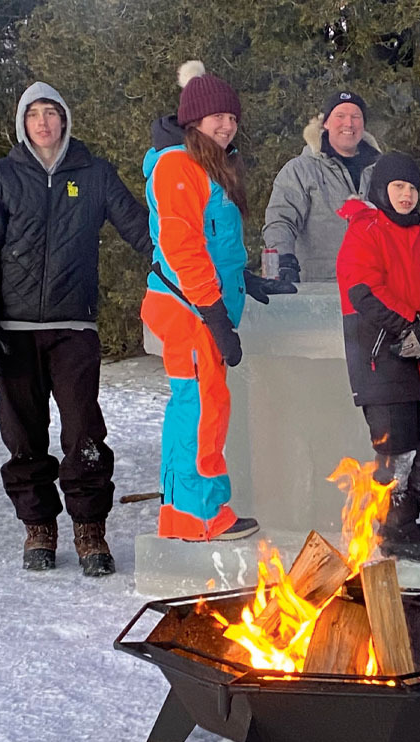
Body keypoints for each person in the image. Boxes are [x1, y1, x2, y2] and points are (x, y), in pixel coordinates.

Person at [0, 81, 153, 577]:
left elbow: (140, 230)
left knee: (83, 431)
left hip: (73, 326)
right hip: (13, 326)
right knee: (23, 433)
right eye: (34, 114)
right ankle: (39, 527)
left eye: (51, 112)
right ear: (23, 123)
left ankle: (90, 528)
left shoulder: (93, 174)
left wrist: (189, 266)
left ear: (65, 119)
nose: (44, 122)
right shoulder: (1, 176)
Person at [140, 62, 295, 542]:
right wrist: (214, 315)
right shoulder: (178, 166)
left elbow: (214, 243)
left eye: (231, 116)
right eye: (215, 117)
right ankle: (202, 515)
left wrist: (241, 277)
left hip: (205, 304)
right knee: (203, 408)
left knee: (195, 405)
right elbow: (182, 247)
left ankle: (182, 512)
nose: (226, 124)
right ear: (193, 122)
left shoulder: (212, 164)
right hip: (190, 310)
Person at [335, 153, 420, 562]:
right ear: (381, 190)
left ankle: (407, 522)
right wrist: (412, 328)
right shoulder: (364, 230)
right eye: (398, 187)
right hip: (382, 357)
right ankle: (389, 527)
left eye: (412, 188)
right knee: (397, 449)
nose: (406, 195)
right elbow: (364, 290)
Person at [263, 90, 382, 282]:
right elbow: (281, 220)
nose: (348, 123)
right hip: (321, 291)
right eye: (340, 116)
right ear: (325, 123)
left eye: (356, 117)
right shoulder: (301, 170)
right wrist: (284, 259)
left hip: (376, 290)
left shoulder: (382, 171)